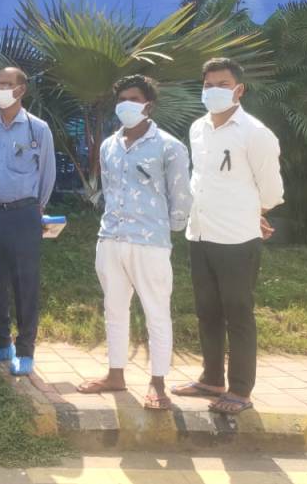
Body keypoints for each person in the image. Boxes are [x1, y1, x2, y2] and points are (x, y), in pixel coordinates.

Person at [171, 58, 284, 415]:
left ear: (239, 90)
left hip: (237, 239)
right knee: (207, 311)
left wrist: (254, 212)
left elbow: (271, 190)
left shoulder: (255, 133)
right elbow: (200, 180)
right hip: (200, 234)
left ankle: (240, 389)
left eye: (222, 84)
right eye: (208, 85)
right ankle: (211, 378)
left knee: (238, 313)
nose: (213, 91)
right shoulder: (198, 129)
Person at [76, 76, 191, 410]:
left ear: (148, 106)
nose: (126, 104)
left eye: (134, 98)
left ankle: (158, 382)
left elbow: (181, 195)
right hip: (111, 237)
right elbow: (110, 189)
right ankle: (115, 374)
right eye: (121, 98)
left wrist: (169, 228)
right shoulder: (109, 146)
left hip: (150, 242)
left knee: (156, 312)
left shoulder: (169, 146)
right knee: (114, 308)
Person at [0, 66, 56, 376]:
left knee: (25, 284)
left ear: (21, 90)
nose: (0, 89)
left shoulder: (38, 129)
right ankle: (0, 343)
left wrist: (36, 208)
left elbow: (47, 174)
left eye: (6, 84)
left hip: (24, 214)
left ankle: (25, 350)